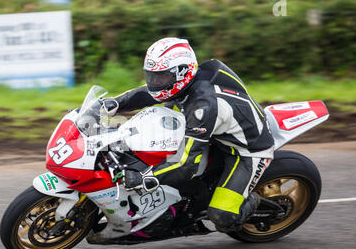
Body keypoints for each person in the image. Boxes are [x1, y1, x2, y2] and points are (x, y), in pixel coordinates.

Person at [103, 37, 274, 233]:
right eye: (152, 76)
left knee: (222, 216)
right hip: (215, 135)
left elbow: (186, 164)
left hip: (246, 150)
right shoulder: (182, 83)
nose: (154, 83)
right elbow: (148, 93)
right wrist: (115, 103)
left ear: (182, 73)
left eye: (161, 77)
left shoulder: (203, 106)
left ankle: (251, 202)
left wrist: (144, 177)